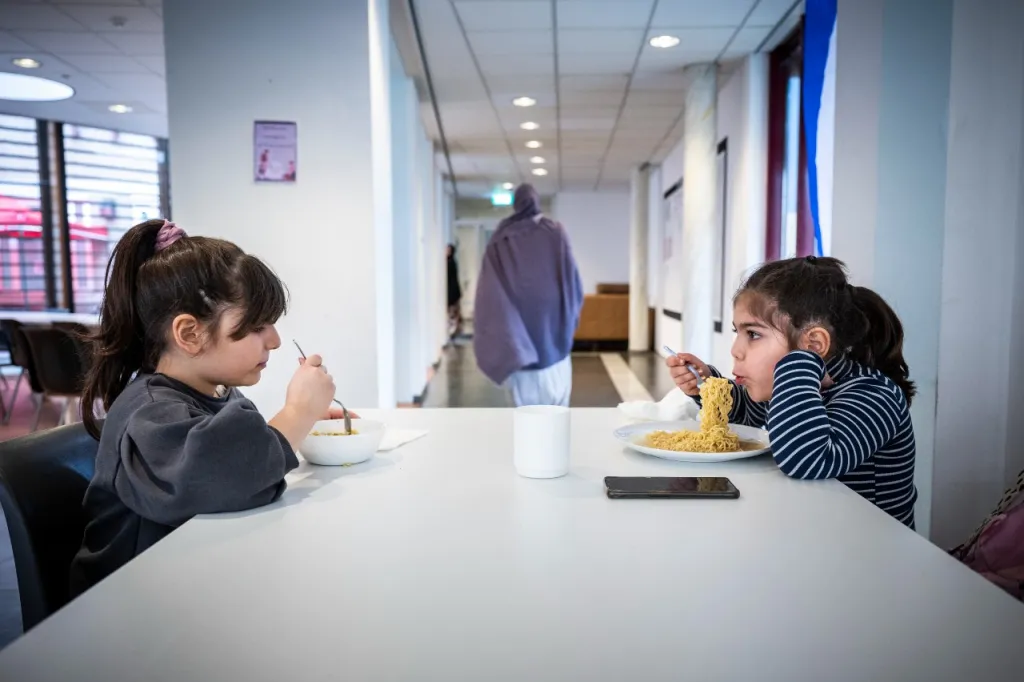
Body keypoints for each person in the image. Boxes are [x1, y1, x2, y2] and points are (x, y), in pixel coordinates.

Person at [69, 219, 342, 597]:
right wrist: (296, 413)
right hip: (126, 603)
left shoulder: (217, 391)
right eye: (257, 326)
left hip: (194, 579)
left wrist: (303, 423)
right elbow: (223, 476)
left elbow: (235, 451)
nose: (275, 340)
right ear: (190, 334)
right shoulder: (148, 413)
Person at [666, 256, 917, 527]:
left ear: (814, 344)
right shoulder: (791, 390)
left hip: (870, 544)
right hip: (812, 529)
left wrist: (799, 361)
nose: (735, 350)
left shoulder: (874, 395)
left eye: (753, 334)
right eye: (737, 332)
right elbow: (747, 413)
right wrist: (706, 385)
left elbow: (807, 460)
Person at [474, 184, 583, 407]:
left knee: (524, 410)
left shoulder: (501, 238)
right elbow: (573, 283)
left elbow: (490, 290)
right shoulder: (555, 232)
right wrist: (569, 318)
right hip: (553, 337)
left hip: (519, 340)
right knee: (557, 405)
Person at [446, 243, 462, 338]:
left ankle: (453, 329)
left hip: (452, 292)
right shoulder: (452, 262)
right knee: (454, 311)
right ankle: (454, 328)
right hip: (454, 291)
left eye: (448, 250)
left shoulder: (450, 263)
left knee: (452, 311)